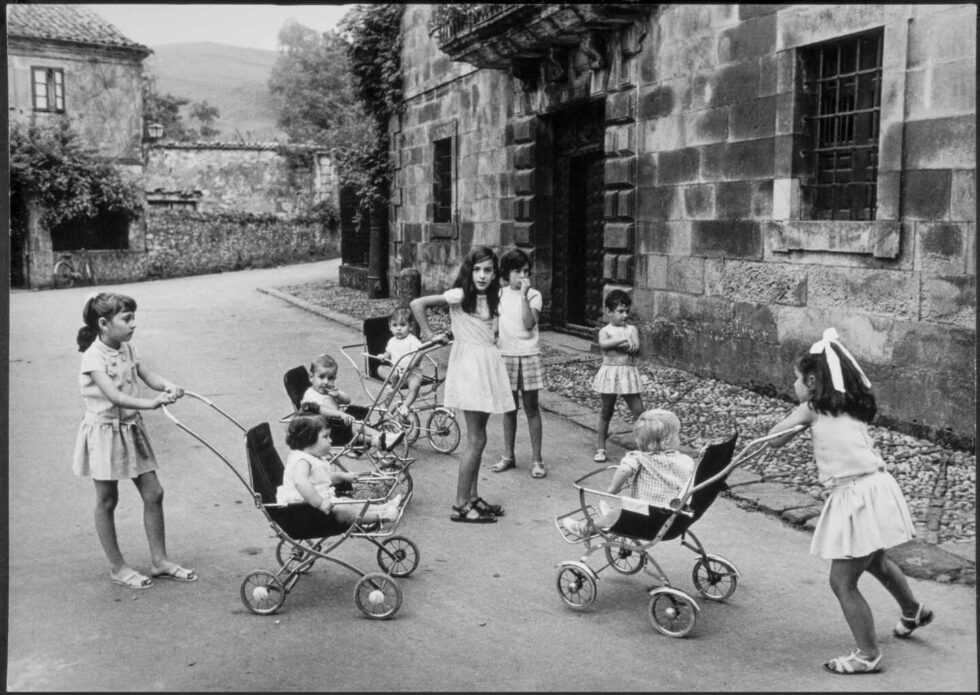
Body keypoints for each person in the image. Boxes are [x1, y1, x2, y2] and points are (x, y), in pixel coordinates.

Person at [767, 327, 929, 675]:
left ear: (811, 382)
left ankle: (868, 654)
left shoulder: (811, 408)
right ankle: (912, 610)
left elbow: (773, 440)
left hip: (856, 496)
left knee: (842, 582)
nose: (793, 385)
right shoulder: (849, 406)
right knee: (876, 562)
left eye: (796, 379)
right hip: (877, 487)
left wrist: (795, 421)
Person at [72, 291, 196, 590]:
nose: (133, 324)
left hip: (131, 429)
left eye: (133, 318)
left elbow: (148, 376)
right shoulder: (93, 357)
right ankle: (117, 567)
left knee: (154, 493)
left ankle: (159, 560)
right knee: (107, 500)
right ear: (104, 323)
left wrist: (168, 385)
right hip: (105, 433)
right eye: (127, 319)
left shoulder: (128, 348)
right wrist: (152, 404)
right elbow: (113, 396)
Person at [410, 245, 515, 523]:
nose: (482, 275)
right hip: (471, 368)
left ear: (495, 274)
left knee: (479, 437)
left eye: (488, 270)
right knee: (476, 439)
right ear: (470, 270)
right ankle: (459, 505)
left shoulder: (492, 297)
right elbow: (417, 304)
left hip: (486, 363)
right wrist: (431, 334)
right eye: (477, 269)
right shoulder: (460, 294)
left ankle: (473, 497)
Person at [562, 409, 695, 538]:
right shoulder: (686, 460)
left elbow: (624, 470)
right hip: (675, 519)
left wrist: (614, 489)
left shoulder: (637, 458)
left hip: (644, 520)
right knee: (639, 507)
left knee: (619, 514)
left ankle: (585, 529)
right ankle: (612, 516)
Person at [277, 413, 402, 524]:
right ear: (308, 439)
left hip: (315, 502)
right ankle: (381, 515)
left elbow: (321, 478)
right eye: (325, 437)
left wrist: (342, 476)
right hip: (302, 507)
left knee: (347, 501)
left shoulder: (313, 456)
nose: (330, 440)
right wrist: (320, 503)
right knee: (345, 510)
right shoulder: (302, 460)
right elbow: (301, 482)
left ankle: (384, 507)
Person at [493, 248, 546, 478]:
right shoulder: (499, 295)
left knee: (531, 409)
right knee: (509, 409)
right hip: (506, 355)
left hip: (529, 355)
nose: (523, 275)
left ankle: (537, 459)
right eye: (518, 271)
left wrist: (524, 295)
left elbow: (527, 323)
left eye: (526, 271)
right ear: (507, 273)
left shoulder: (534, 295)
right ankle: (508, 455)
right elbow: (494, 326)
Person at [300, 353, 404, 453]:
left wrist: (338, 395)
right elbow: (320, 409)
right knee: (356, 426)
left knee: (358, 419)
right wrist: (341, 414)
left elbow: (347, 400)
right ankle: (382, 437)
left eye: (330, 378)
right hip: (325, 431)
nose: (326, 382)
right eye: (321, 377)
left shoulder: (329, 390)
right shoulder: (310, 395)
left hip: (338, 424)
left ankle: (377, 440)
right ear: (311, 377)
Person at [592, 289, 645, 463]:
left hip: (627, 373)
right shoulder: (604, 331)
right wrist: (621, 342)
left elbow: (635, 348)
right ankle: (601, 446)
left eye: (627, 311)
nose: (625, 315)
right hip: (610, 372)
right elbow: (604, 344)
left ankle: (644, 446)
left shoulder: (632, 329)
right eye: (620, 311)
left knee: (639, 411)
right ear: (608, 312)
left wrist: (621, 345)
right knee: (607, 411)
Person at [377, 306, 425, 422]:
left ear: (410, 327)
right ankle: (392, 389)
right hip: (397, 371)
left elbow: (420, 353)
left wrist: (412, 365)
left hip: (412, 372)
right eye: (395, 325)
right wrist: (384, 356)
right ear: (390, 327)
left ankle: (405, 406)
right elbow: (388, 353)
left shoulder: (412, 340)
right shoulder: (392, 341)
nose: (399, 329)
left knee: (415, 386)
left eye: (403, 325)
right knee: (383, 369)